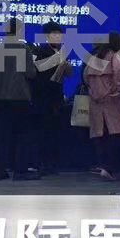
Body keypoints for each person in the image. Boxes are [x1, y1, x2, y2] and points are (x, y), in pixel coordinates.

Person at [0, 18, 38, 180]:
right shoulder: (23, 49)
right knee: (21, 135)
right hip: (19, 97)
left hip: (0, 97)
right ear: (20, 31)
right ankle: (20, 171)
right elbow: (30, 73)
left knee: (2, 136)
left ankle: (0, 170)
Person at [84, 32, 120, 181]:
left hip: (96, 102)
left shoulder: (94, 58)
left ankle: (103, 165)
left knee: (101, 136)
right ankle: (111, 168)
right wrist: (119, 90)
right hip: (112, 101)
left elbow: (85, 78)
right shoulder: (116, 57)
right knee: (116, 134)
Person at [33, 22, 72, 175]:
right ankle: (42, 163)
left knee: (54, 133)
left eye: (59, 34)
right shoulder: (41, 51)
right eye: (54, 34)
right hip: (44, 98)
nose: (58, 37)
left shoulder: (62, 52)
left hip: (57, 97)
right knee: (44, 133)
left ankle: (52, 163)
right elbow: (40, 74)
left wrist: (66, 67)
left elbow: (68, 74)